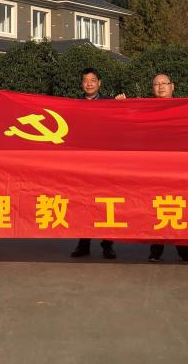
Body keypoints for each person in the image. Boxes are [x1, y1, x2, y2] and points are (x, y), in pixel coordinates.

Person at [146, 72, 188, 265]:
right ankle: (156, 249)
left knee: (179, 207)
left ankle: (184, 250)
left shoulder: (185, 107)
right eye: (156, 84)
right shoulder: (146, 109)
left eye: (164, 83)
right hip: (154, 167)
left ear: (172, 86)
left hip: (178, 167)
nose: (161, 87)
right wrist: (121, 104)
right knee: (157, 207)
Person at [71, 68, 117, 260]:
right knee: (83, 203)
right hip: (82, 163)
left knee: (106, 203)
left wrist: (123, 105)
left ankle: (108, 244)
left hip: (105, 163)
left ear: (99, 83)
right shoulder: (73, 105)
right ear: (81, 84)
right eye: (85, 80)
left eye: (93, 80)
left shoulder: (111, 104)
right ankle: (83, 243)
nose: (89, 84)